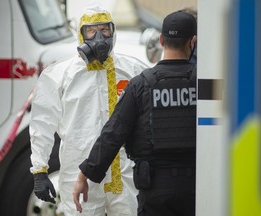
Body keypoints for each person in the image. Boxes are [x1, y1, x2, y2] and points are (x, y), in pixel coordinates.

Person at [73, 10, 197, 216]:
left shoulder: (141, 84)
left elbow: (113, 133)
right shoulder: (205, 84)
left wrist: (84, 175)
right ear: (193, 41)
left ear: (161, 40)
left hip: (154, 186)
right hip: (197, 184)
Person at [29, 4, 148, 216]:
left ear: (113, 32)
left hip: (125, 173)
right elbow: (42, 124)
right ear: (81, 34)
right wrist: (40, 170)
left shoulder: (133, 71)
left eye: (104, 30)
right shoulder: (60, 76)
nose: (99, 37)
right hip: (78, 175)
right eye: (91, 31)